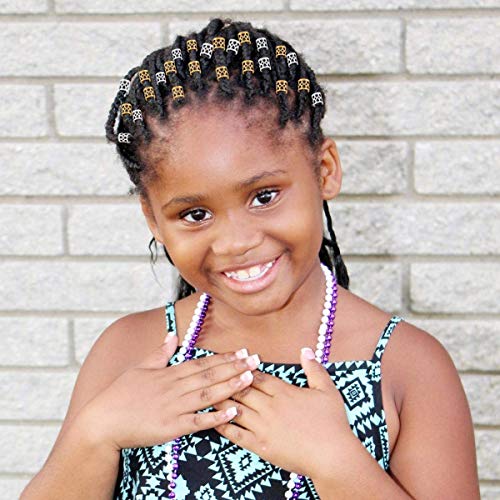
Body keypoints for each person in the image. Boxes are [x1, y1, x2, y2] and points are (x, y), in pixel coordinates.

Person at [21, 17, 480, 500]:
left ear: (324, 170)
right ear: (153, 218)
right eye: (195, 214)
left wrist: (337, 464)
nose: (235, 242)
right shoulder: (130, 351)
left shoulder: (407, 366)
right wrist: (95, 435)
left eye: (264, 196)